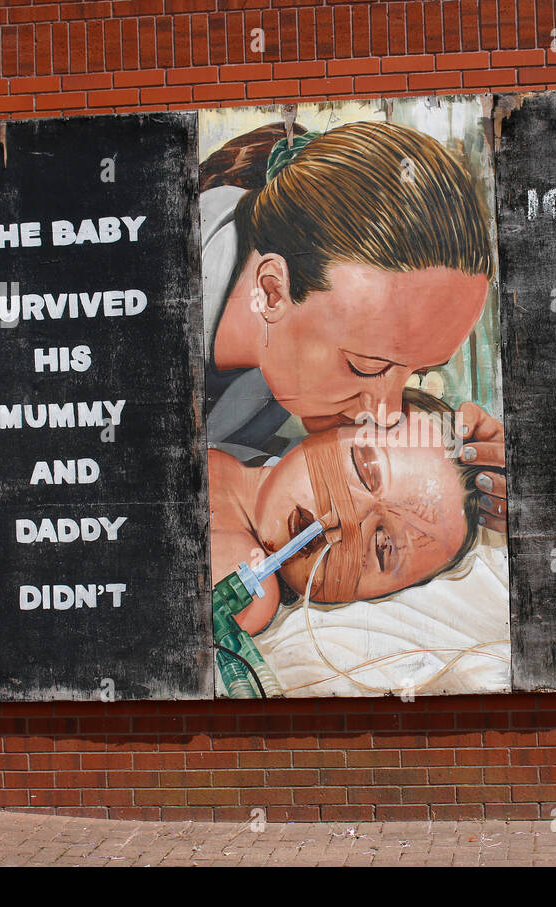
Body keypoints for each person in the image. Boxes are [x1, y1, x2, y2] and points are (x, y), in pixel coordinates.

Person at [199, 119, 507, 532]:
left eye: (419, 373)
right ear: (273, 291)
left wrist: (453, 475)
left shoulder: (285, 360)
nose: (388, 416)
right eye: (365, 366)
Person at [209, 391, 484, 636]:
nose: (338, 522)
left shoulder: (249, 593)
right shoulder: (233, 420)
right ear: (334, 423)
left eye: (381, 546)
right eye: (364, 472)